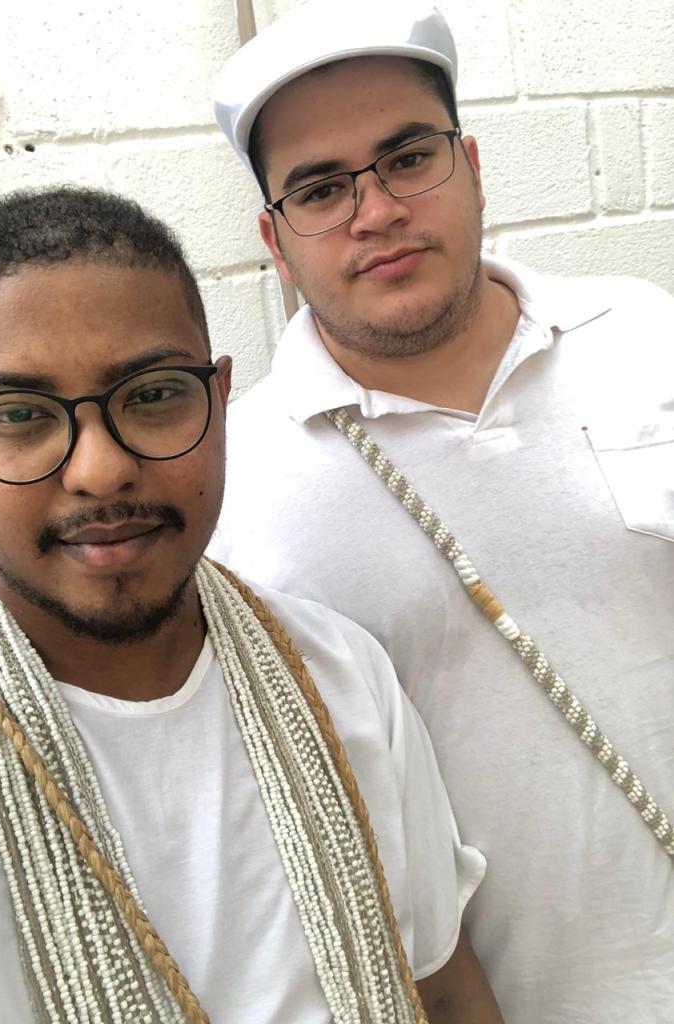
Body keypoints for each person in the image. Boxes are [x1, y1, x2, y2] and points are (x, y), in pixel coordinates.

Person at [0, 186, 504, 1024]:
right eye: (19, 415)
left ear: (218, 399)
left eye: (152, 395)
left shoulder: (342, 676)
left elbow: (441, 988)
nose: (99, 471)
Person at [209, 3, 674, 1022]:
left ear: (469, 165)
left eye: (407, 158)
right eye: (319, 189)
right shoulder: (235, 484)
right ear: (275, 242)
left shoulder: (645, 336)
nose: (375, 212)